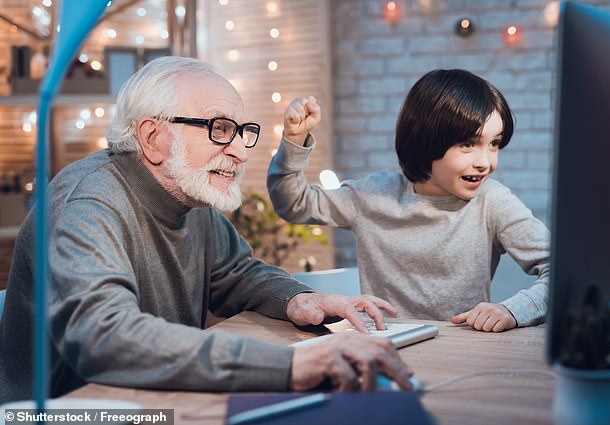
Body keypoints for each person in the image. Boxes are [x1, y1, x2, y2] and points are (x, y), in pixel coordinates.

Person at [0, 56, 413, 403]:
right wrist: (292, 364)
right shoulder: (87, 205)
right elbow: (104, 337)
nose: (238, 150)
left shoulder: (189, 193)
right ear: (153, 137)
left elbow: (236, 273)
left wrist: (299, 298)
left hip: (153, 398)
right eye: (219, 129)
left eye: (241, 132)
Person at [267, 69, 549, 333]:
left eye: (494, 143)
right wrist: (294, 140)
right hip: (384, 343)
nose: (486, 162)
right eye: (468, 144)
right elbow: (293, 203)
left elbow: (565, 273)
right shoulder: (371, 197)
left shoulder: (493, 202)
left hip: (463, 350)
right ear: (426, 140)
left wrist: (512, 311)